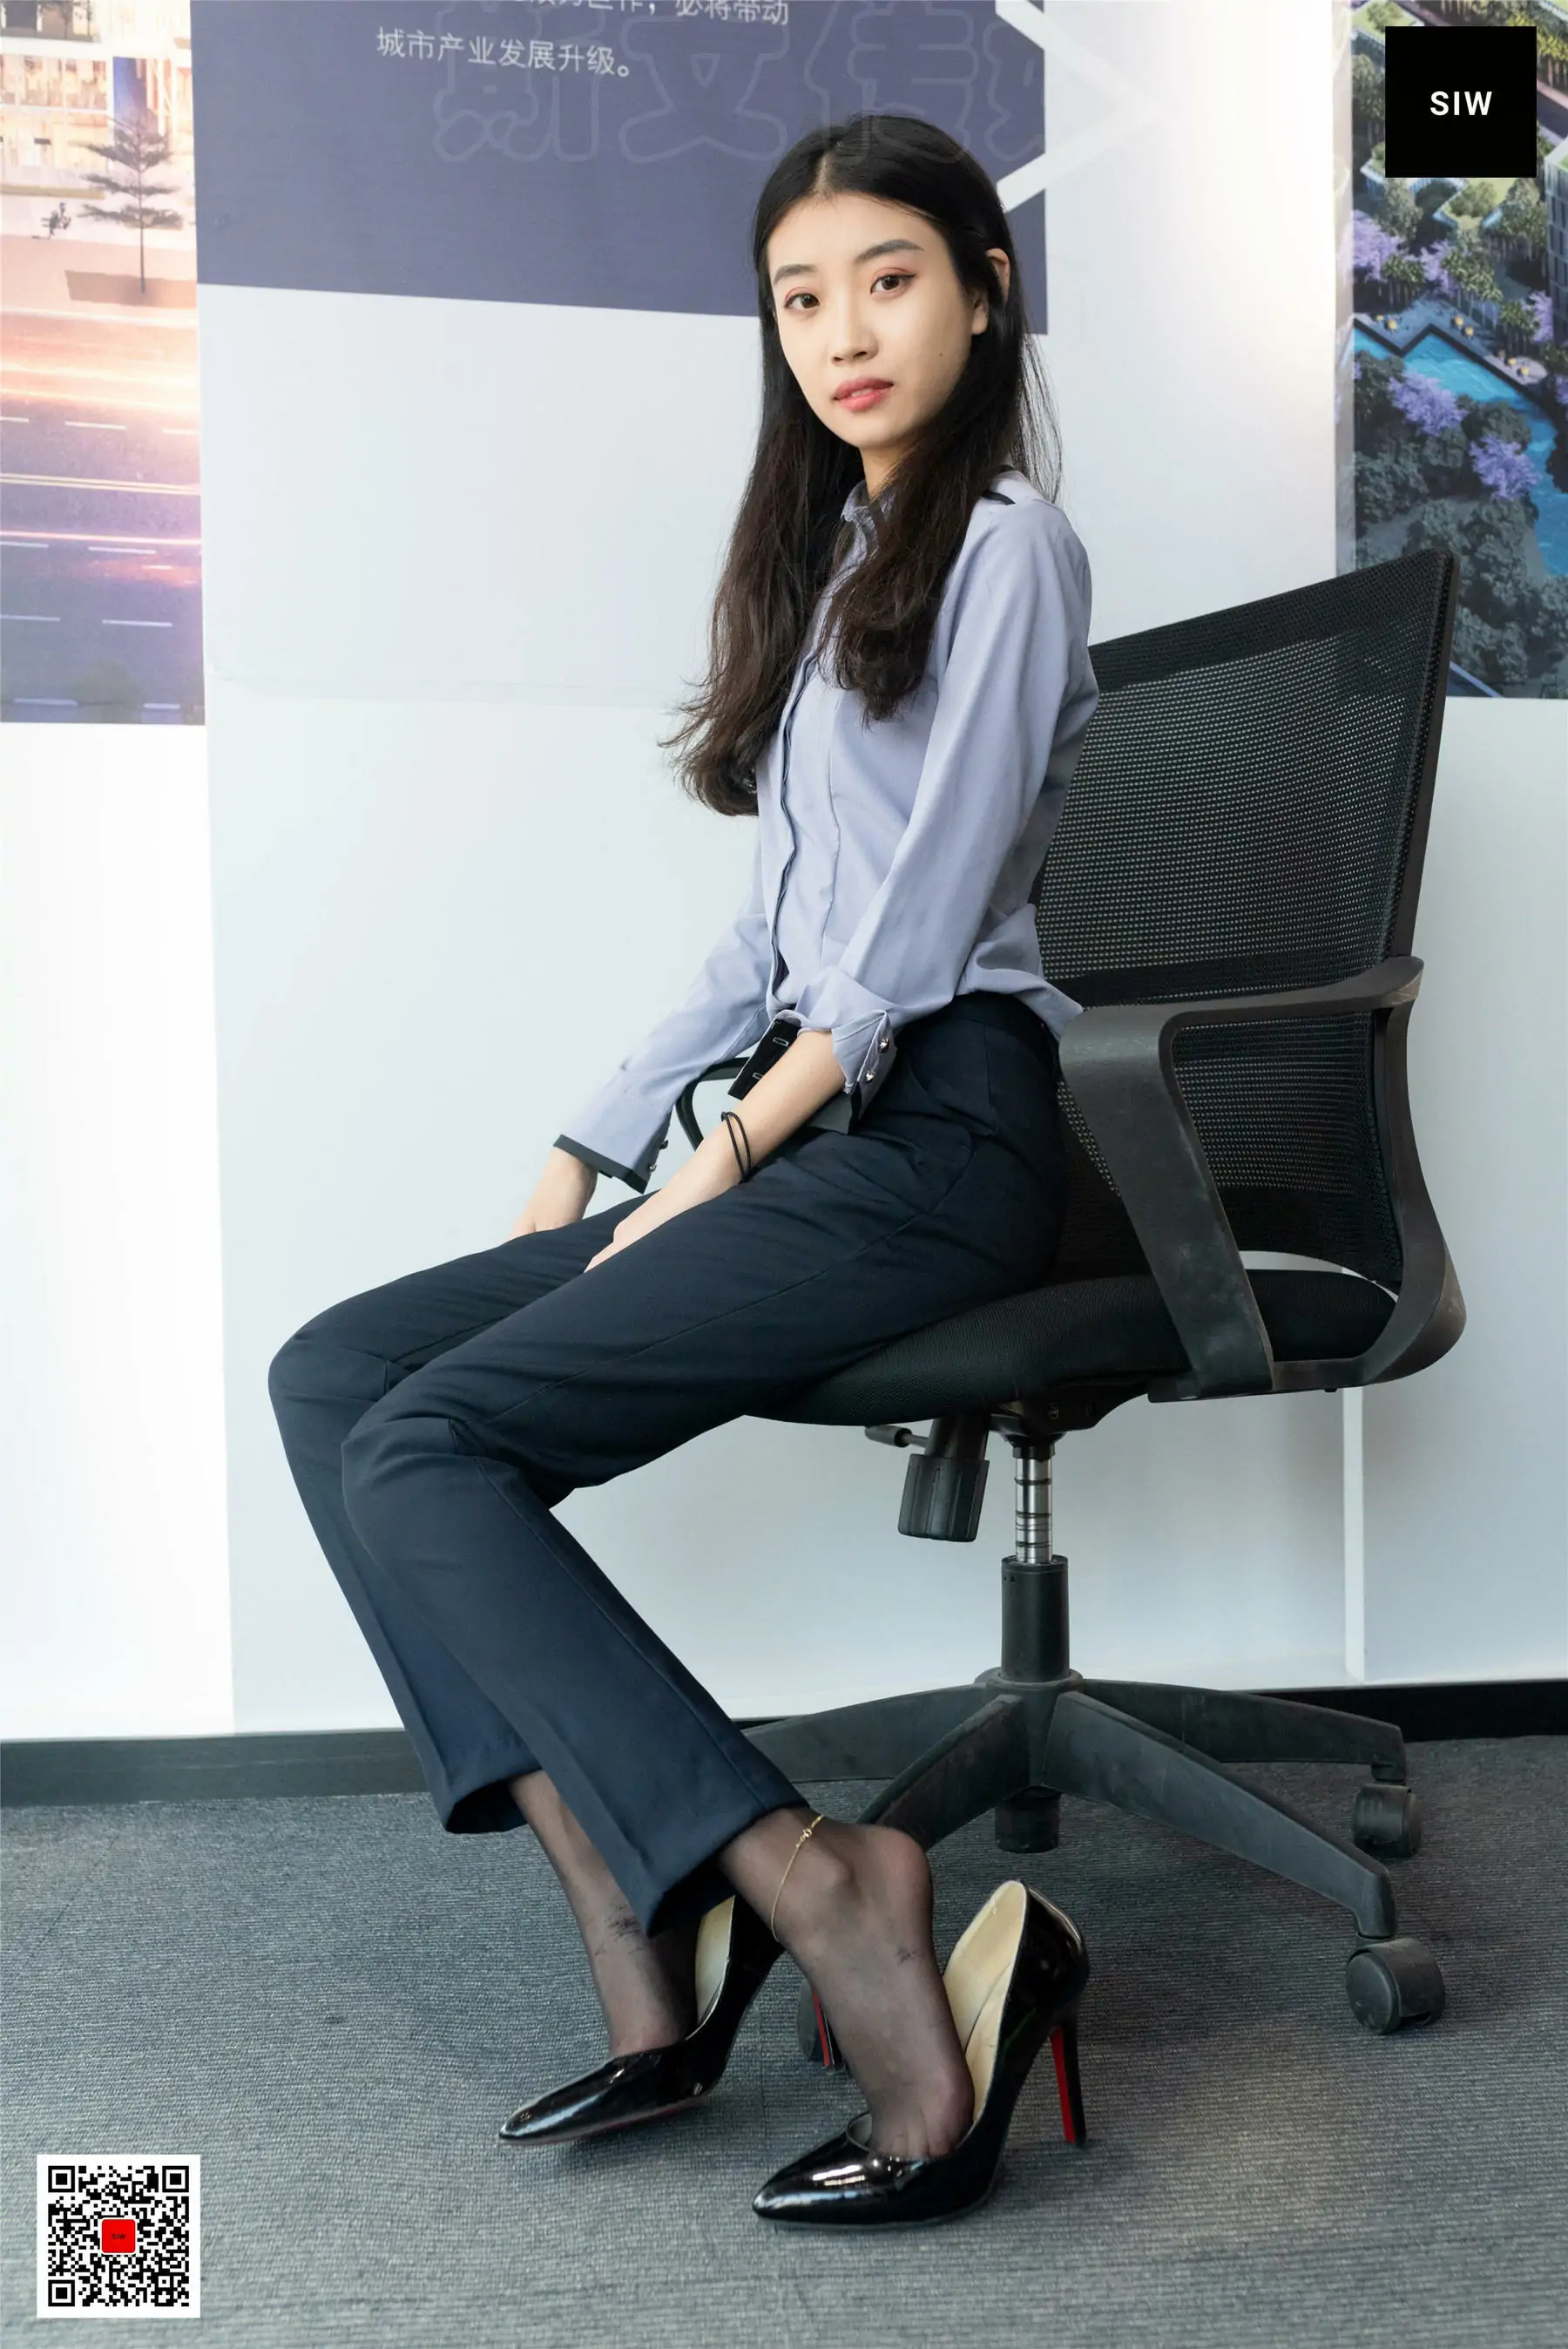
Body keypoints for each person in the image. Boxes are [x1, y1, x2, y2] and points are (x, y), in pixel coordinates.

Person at [269, 112, 1100, 2228]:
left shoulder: (1009, 545)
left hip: (942, 1136)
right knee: (338, 1378)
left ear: (984, 291)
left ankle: (824, 1887)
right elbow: (768, 938)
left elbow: (910, 943)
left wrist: (721, 1150)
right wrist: (589, 1140)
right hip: (813, 1125)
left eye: (890, 279)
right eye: (801, 298)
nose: (845, 332)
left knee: (431, 1445)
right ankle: (638, 1898)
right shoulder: (840, 569)